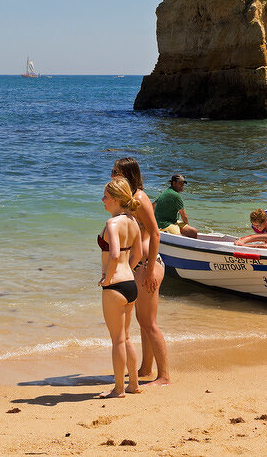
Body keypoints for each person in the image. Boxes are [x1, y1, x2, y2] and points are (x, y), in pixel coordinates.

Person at [112, 157, 170, 385]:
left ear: (127, 174)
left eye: (115, 172)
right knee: (142, 321)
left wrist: (149, 271)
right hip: (139, 266)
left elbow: (156, 233)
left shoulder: (139, 198)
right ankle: (146, 368)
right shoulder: (128, 200)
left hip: (149, 265)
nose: (112, 175)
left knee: (149, 323)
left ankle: (164, 375)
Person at [96, 177, 143, 398]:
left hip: (115, 285)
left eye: (105, 196)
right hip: (130, 284)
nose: (103, 200)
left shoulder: (112, 223)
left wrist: (108, 276)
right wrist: (126, 271)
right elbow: (138, 254)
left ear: (115, 199)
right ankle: (133, 384)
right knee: (126, 338)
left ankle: (118, 389)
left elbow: (114, 253)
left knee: (117, 341)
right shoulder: (133, 221)